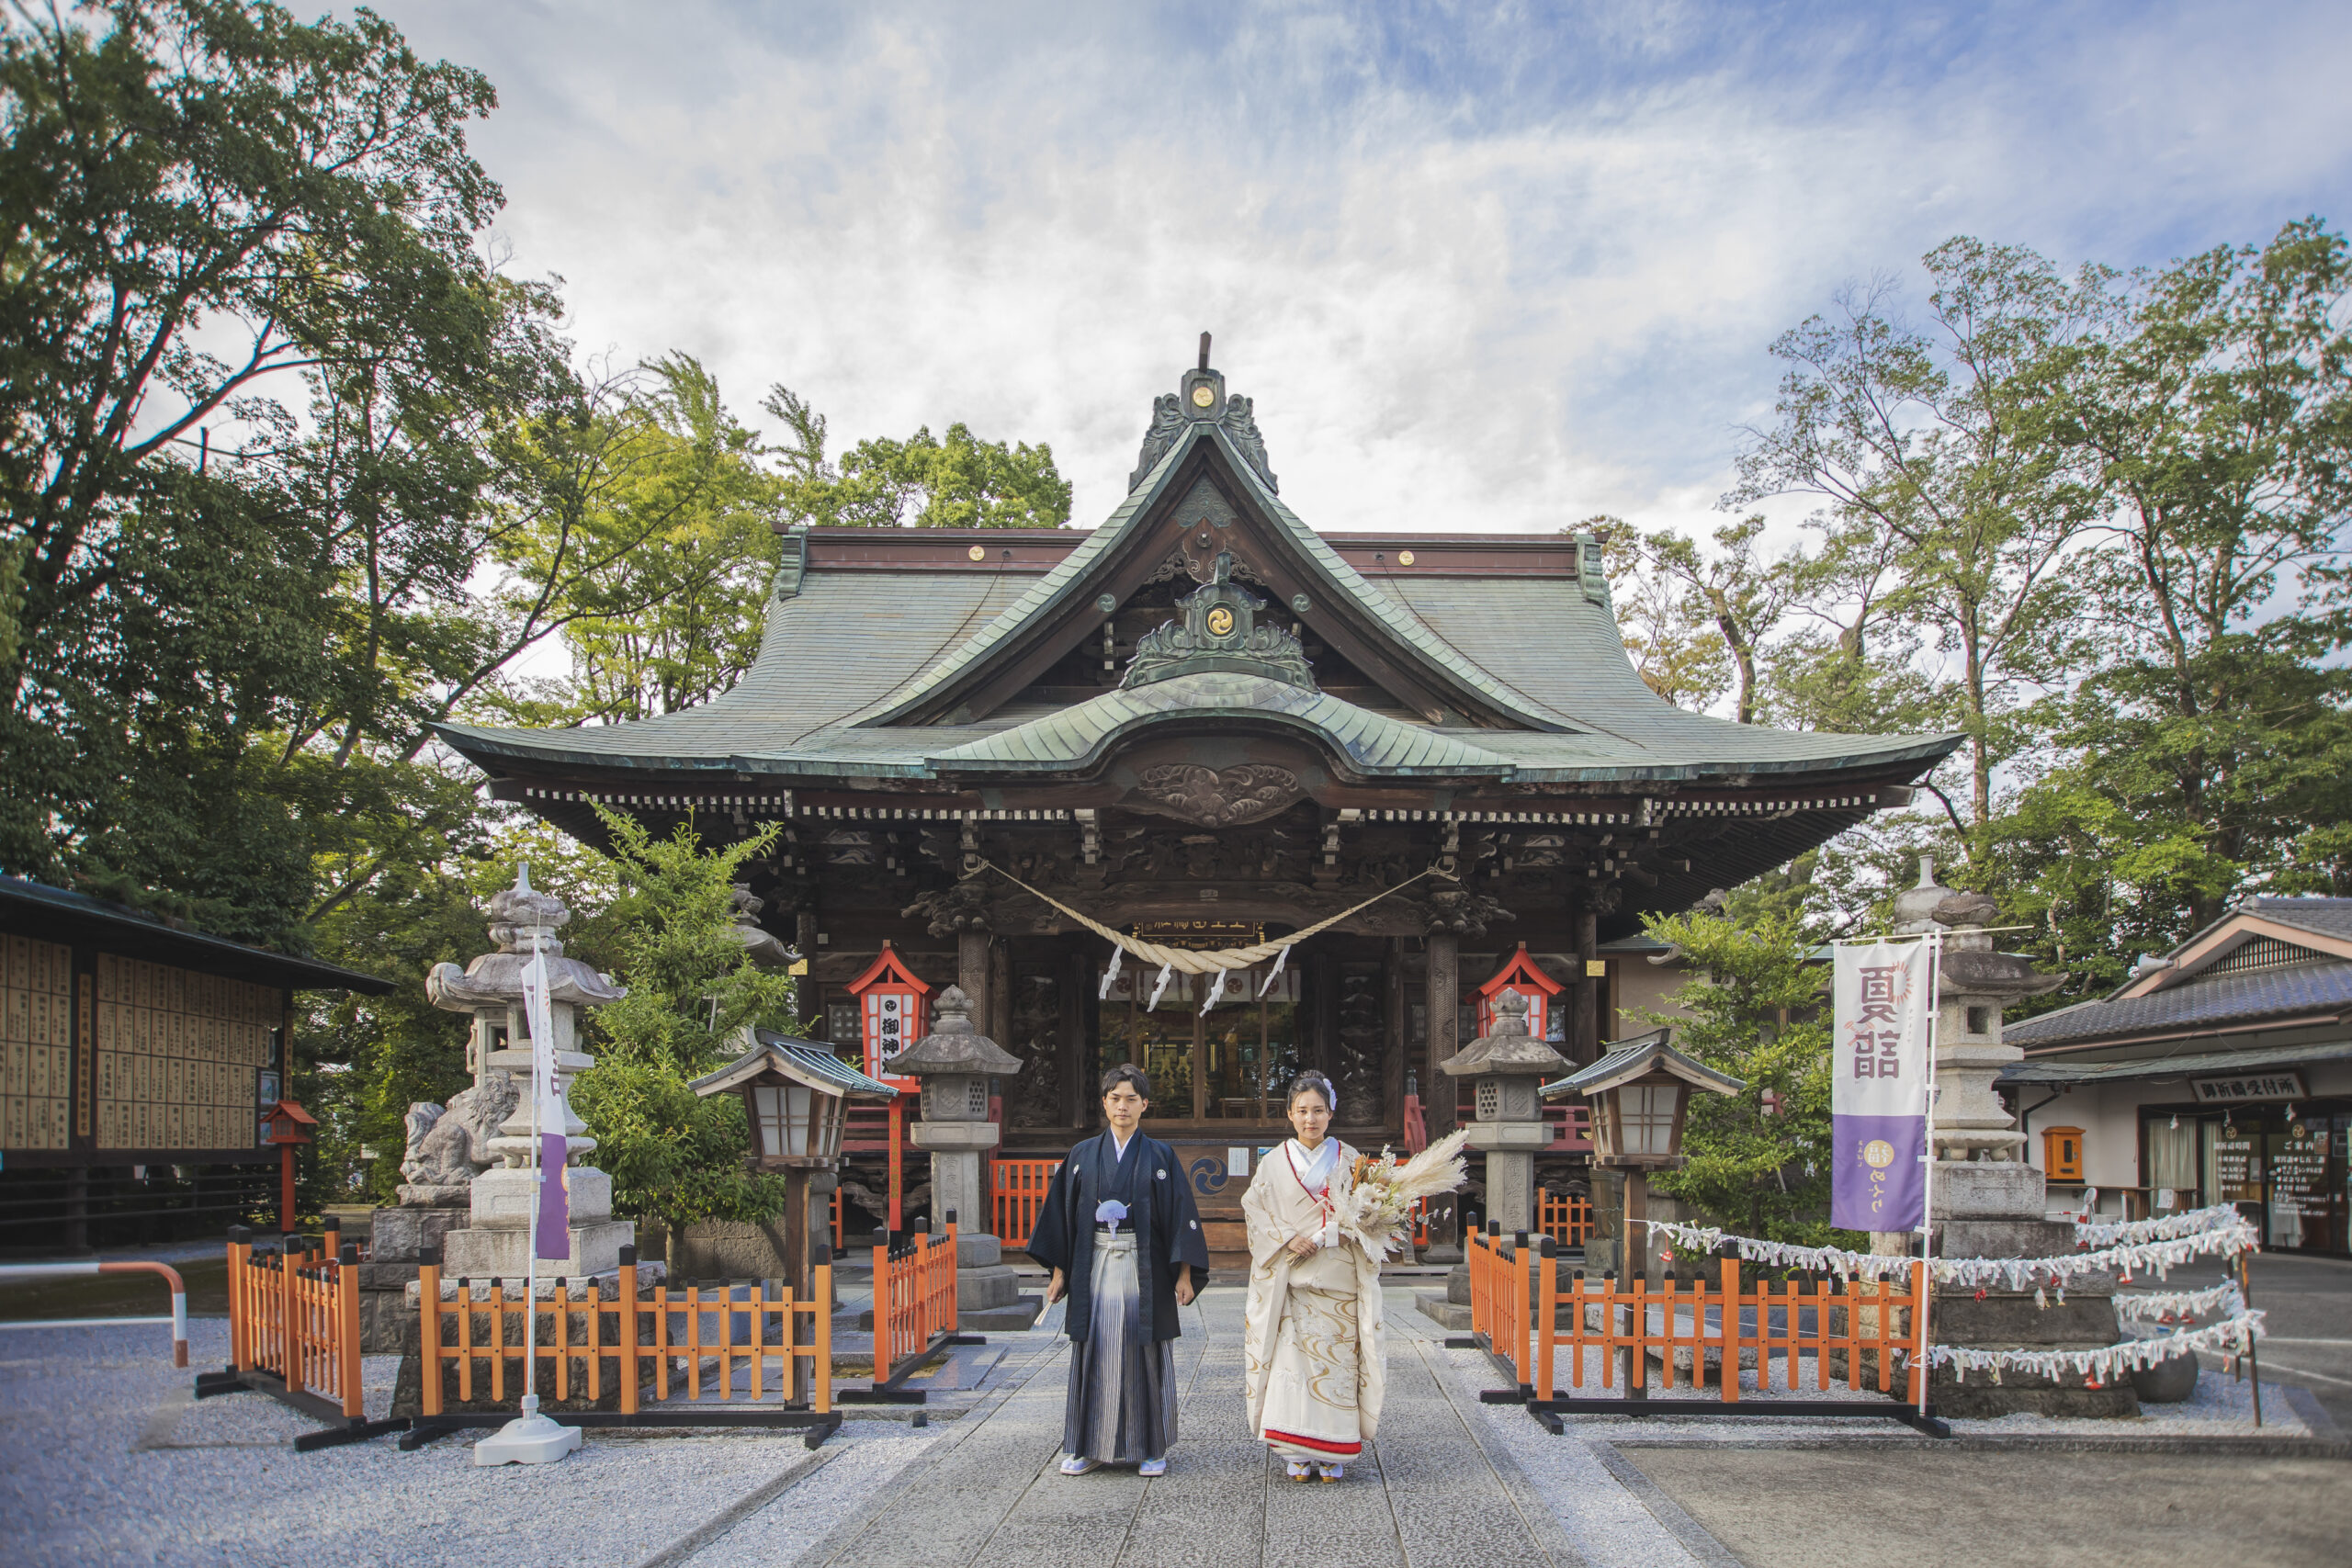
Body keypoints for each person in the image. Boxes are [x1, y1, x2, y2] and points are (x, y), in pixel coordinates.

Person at [1030, 1062, 1209, 1477]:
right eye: (1115, 1099)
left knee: (1144, 1349)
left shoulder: (1160, 1156)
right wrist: (1059, 1274)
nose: (1123, 1106)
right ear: (1104, 1103)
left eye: (1131, 1099)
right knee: (1093, 1349)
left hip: (1142, 1268)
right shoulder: (1081, 1155)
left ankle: (1150, 1447)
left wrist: (1184, 1274)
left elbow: (1181, 1215)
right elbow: (1062, 1218)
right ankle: (1088, 1445)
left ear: (1145, 1105)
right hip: (1092, 1266)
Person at [1241, 1069, 1385, 1482]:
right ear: (1289, 1114)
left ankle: (1334, 1450)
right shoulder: (1271, 1163)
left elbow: (1372, 1217)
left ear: (1331, 1112)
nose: (1310, 1119)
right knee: (1291, 1367)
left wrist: (1333, 1232)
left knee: (1336, 1365)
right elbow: (1255, 1209)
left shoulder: (1352, 1160)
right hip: (1291, 1281)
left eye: (1318, 1110)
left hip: (1337, 1278)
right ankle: (1295, 1451)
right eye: (1302, 1111)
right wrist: (1287, 1237)